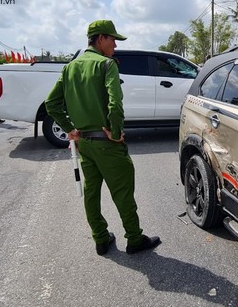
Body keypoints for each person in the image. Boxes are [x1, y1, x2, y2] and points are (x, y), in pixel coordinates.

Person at [45, 20, 160, 256]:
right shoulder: (107, 65)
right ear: (100, 39)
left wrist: (71, 129)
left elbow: (51, 103)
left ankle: (100, 238)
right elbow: (115, 103)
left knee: (91, 192)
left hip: (85, 143)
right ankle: (135, 239)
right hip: (107, 143)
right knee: (123, 192)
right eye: (113, 39)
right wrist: (116, 133)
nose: (115, 45)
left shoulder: (69, 68)